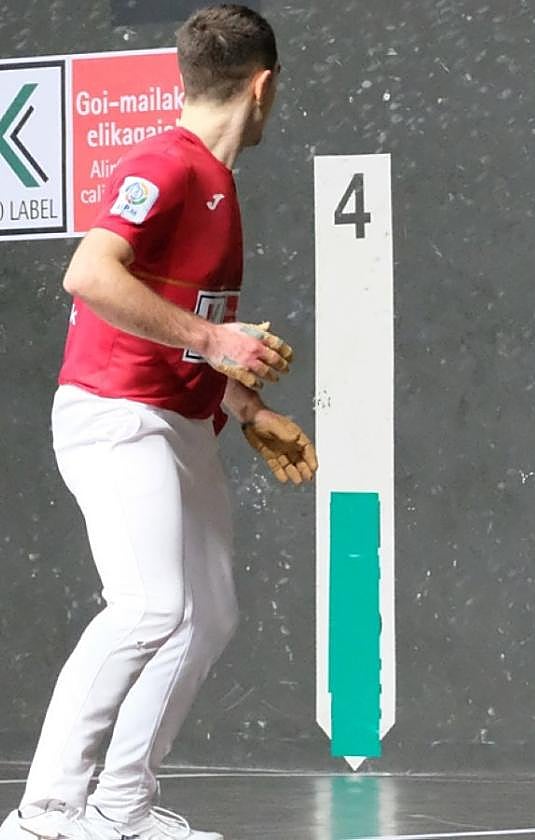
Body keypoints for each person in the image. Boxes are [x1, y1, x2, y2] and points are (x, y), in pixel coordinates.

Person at [0, 6, 317, 840]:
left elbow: (185, 322)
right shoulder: (163, 165)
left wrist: (247, 408)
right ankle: (44, 812)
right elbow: (89, 274)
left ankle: (121, 804)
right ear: (264, 85)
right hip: (116, 417)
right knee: (147, 606)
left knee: (207, 613)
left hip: (181, 423)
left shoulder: (216, 184)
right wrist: (219, 339)